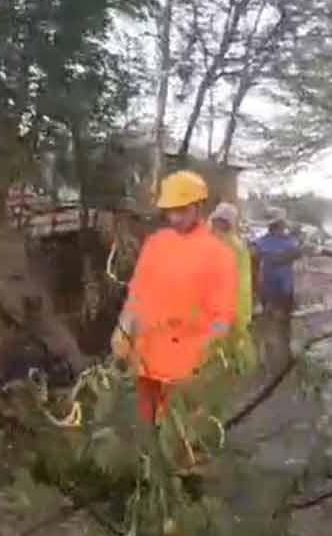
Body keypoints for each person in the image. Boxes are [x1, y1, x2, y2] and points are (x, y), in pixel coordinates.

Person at [111, 171, 237, 424]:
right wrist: (123, 329)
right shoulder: (156, 243)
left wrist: (210, 353)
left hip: (187, 365)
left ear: (199, 206)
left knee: (180, 436)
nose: (175, 217)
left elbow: (222, 314)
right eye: (170, 211)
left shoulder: (218, 253)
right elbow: (137, 292)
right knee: (146, 430)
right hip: (146, 356)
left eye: (182, 210)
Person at [210, 202, 258, 373]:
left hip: (229, 304)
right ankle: (231, 369)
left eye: (220, 221)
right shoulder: (218, 243)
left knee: (227, 338)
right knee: (219, 340)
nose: (216, 225)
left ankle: (237, 369)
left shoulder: (232, 246)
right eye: (216, 220)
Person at [252, 208, 302, 367]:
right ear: (280, 223)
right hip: (280, 290)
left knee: (273, 324)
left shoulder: (260, 243)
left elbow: (257, 257)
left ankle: (271, 359)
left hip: (270, 289)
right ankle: (280, 359)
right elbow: (294, 254)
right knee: (281, 325)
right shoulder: (290, 242)